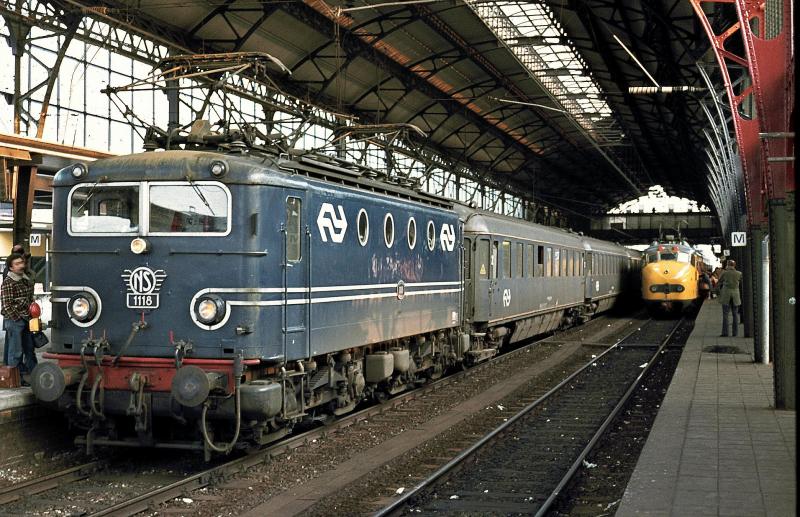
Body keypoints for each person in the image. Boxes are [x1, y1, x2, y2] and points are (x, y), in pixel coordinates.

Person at [1, 253, 36, 384]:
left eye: (22, 263)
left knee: (29, 348)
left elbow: (29, 299)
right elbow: (6, 305)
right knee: (15, 351)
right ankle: (15, 379)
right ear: (10, 268)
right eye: (17, 264)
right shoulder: (8, 282)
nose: (21, 265)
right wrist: (18, 319)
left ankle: (33, 375)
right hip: (15, 320)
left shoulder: (25, 280)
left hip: (27, 319)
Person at [717, 259, 743, 337]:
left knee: (725, 314)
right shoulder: (739, 273)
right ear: (734, 265)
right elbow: (741, 282)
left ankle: (725, 333)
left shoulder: (724, 273)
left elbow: (720, 281)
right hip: (735, 295)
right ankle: (735, 333)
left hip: (726, 295)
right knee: (735, 314)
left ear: (728, 265)